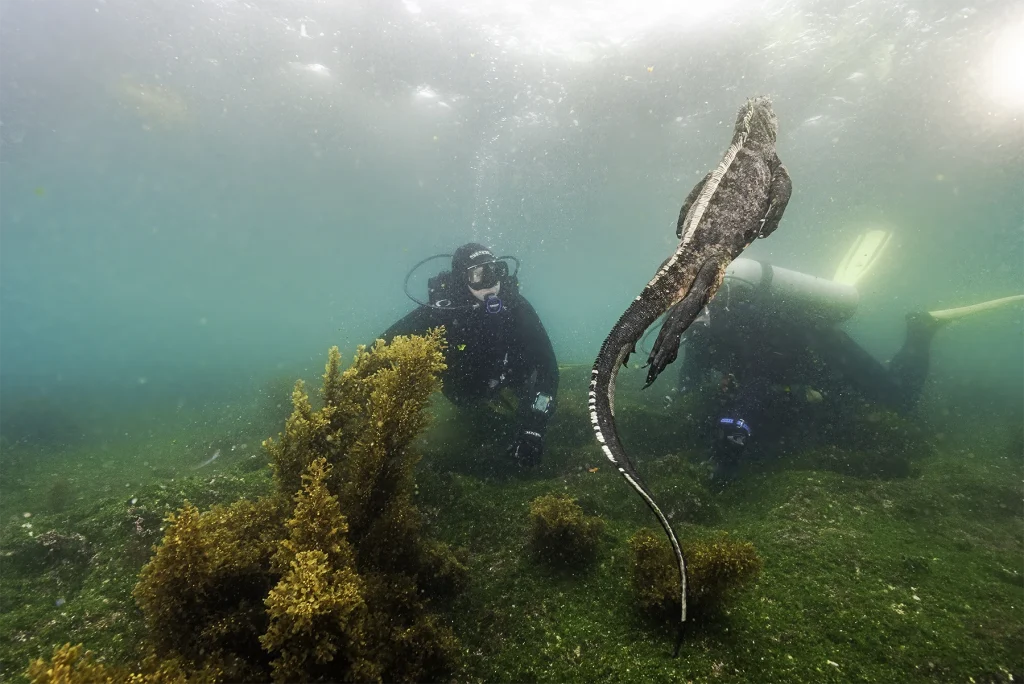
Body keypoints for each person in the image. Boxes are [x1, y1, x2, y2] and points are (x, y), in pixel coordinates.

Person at [672, 257, 1021, 480]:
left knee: (900, 399)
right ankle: (869, 377)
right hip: (801, 362)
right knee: (845, 395)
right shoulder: (705, 325)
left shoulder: (722, 326)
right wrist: (690, 402)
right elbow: (694, 379)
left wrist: (733, 440)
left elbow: (758, 378)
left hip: (823, 348)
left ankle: (920, 330)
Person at [378, 242, 558, 467]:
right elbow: (382, 347)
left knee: (532, 386)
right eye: (478, 275)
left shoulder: (517, 308)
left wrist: (535, 428)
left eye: (495, 271)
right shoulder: (442, 311)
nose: (490, 283)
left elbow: (548, 369)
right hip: (462, 390)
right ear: (462, 279)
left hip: (508, 377)